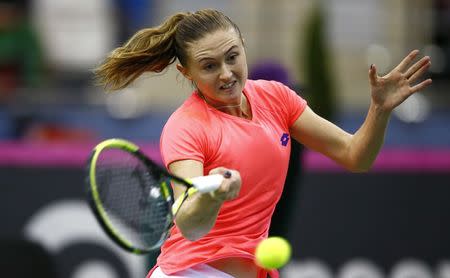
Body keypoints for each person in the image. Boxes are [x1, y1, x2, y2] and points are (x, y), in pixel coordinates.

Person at [94, 9, 432, 278]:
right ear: (187, 73)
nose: (226, 73)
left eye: (232, 57)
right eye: (209, 66)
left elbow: (355, 155)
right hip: (191, 272)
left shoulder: (277, 98)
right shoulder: (186, 127)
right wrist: (213, 196)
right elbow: (188, 222)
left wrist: (379, 110)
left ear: (242, 45)